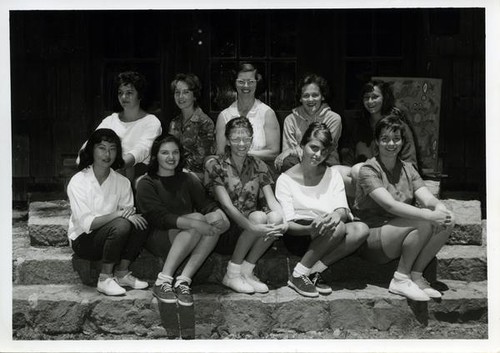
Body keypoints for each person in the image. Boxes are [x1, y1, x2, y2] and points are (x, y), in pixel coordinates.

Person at [352, 115, 455, 301]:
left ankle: (415, 276)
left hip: (400, 231)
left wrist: (439, 208)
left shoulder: (408, 169)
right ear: (377, 141)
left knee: (448, 218)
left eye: (396, 139)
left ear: (402, 141)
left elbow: (428, 198)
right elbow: (390, 205)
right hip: (372, 237)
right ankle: (400, 278)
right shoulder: (369, 170)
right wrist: (428, 215)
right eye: (385, 139)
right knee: (422, 221)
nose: (391, 143)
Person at [275, 123, 369, 298]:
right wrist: (312, 228)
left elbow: (342, 209)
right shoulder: (285, 180)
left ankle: (312, 271)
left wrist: (336, 214)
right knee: (338, 228)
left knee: (361, 229)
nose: (318, 155)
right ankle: (297, 275)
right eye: (314, 148)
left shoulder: (332, 174)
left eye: (324, 151)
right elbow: (288, 225)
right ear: (302, 146)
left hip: (329, 229)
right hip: (300, 233)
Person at [136, 135, 229, 306]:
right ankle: (162, 281)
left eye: (175, 152)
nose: (171, 157)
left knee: (213, 222)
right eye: (165, 153)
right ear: (155, 156)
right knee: (198, 220)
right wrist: (194, 222)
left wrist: (218, 215)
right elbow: (159, 217)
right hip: (159, 235)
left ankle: (183, 281)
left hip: (186, 234)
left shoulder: (187, 179)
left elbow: (206, 203)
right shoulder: (146, 182)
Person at [205, 117, 288, 294]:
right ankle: (232, 273)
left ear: (252, 139)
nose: (241, 143)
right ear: (227, 140)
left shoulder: (258, 164)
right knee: (258, 217)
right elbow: (227, 206)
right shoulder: (217, 166)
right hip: (227, 230)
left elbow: (271, 200)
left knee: (275, 217)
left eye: (246, 139)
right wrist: (252, 227)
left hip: (250, 231)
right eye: (235, 139)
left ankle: (246, 271)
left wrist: (284, 222)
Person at [67, 128, 149, 296]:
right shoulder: (78, 181)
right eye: (102, 148)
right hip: (84, 241)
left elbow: (129, 215)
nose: (107, 154)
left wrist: (125, 215)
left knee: (141, 222)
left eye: (112, 149)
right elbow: (87, 223)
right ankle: (104, 279)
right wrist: (118, 214)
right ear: (91, 150)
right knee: (121, 224)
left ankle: (122, 274)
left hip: (113, 240)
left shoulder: (122, 182)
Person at [336, 79, 419, 198]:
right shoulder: (359, 125)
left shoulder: (398, 125)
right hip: (364, 177)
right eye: (366, 97)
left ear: (384, 98)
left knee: (357, 170)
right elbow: (348, 157)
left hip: (392, 178)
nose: (370, 101)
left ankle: (382, 203)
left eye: (375, 97)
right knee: (335, 172)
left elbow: (410, 162)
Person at [79, 71, 162, 182]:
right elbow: (90, 144)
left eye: (129, 93)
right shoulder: (110, 120)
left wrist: (118, 165)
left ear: (140, 95)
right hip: (106, 167)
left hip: (135, 172)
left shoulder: (151, 122)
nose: (123, 97)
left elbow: (141, 150)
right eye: (120, 92)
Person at [274, 74, 342, 172]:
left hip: (325, 162)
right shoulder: (290, 119)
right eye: (306, 96)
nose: (310, 100)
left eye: (315, 95)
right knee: (286, 163)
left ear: (322, 97)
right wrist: (291, 151)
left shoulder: (334, 118)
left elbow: (324, 149)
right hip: (298, 162)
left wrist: (295, 150)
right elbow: (287, 151)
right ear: (300, 98)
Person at [214, 63, 280, 164]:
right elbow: (221, 153)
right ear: (234, 83)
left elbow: (274, 153)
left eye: (251, 82)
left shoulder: (267, 113)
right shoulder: (224, 116)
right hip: (230, 172)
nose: (246, 86)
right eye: (241, 82)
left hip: (261, 172)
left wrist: (243, 154)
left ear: (257, 83)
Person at [168, 73, 215, 180]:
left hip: (197, 175)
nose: (180, 97)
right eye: (177, 92)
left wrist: (175, 168)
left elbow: (202, 159)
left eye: (186, 92)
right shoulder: (174, 123)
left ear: (194, 95)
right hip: (175, 171)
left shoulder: (205, 123)